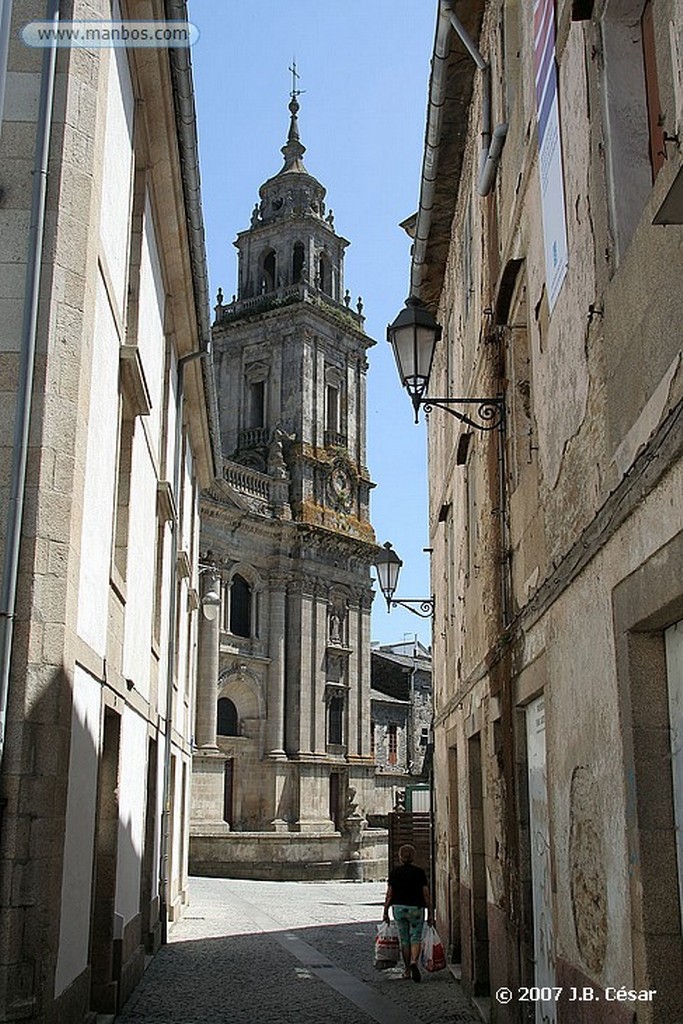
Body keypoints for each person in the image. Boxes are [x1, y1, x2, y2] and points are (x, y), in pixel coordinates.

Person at [382, 843, 434, 982]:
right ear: (413, 857)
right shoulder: (419, 873)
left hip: (399, 909)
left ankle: (406, 970)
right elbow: (426, 894)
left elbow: (390, 894)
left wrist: (385, 911)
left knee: (404, 939)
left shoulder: (394, 873)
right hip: (416, 909)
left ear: (400, 857)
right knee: (416, 937)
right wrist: (430, 913)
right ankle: (414, 962)